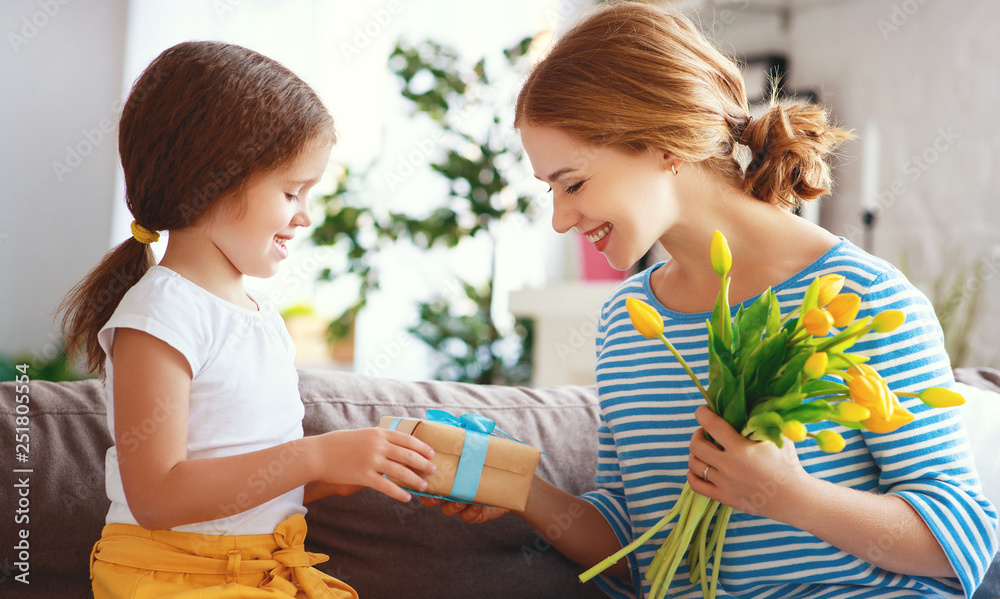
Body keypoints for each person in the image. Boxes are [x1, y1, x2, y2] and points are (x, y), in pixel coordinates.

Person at [425, 3, 998, 598]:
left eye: (574, 184)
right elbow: (640, 552)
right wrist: (518, 487)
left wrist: (791, 498)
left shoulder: (863, 298)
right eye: (552, 190)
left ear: (663, 144)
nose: (561, 219)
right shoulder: (627, 323)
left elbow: (960, 543)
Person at [59, 41, 437, 598]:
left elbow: (239, 480)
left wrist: (332, 476)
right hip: (176, 576)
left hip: (259, 569)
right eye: (291, 191)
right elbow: (158, 496)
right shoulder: (160, 313)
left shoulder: (260, 317)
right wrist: (317, 454)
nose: (305, 215)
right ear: (213, 177)